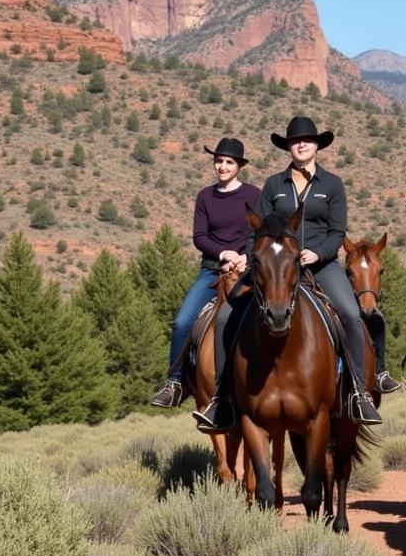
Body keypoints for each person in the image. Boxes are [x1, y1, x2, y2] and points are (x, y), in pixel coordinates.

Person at [194, 115, 383, 429]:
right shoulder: (273, 185)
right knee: (227, 316)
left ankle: (359, 394)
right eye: (295, 141)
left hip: (320, 266)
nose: (301, 144)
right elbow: (259, 231)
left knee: (350, 314)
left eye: (307, 140)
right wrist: (253, 261)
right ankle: (222, 400)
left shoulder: (332, 184)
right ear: (288, 147)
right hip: (276, 267)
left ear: (317, 146)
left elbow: (337, 233)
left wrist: (317, 253)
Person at [150, 137, 260, 409]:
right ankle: (175, 383)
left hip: (246, 270)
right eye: (219, 161)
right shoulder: (205, 196)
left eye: (229, 162)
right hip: (211, 271)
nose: (222, 167)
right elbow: (200, 237)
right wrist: (224, 255)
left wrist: (243, 258)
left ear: (239, 166)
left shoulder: (254, 195)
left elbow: (258, 231)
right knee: (182, 322)